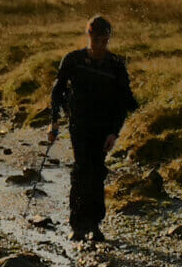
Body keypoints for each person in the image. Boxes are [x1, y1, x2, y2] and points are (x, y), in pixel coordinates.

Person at [46, 15, 139, 243]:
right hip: (79, 124)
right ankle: (78, 224)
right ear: (89, 36)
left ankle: (95, 224)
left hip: (103, 126)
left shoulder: (116, 65)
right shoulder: (73, 60)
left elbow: (123, 102)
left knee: (97, 172)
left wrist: (114, 132)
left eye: (105, 40)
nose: (100, 44)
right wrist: (54, 121)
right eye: (97, 39)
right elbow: (57, 92)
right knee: (81, 170)